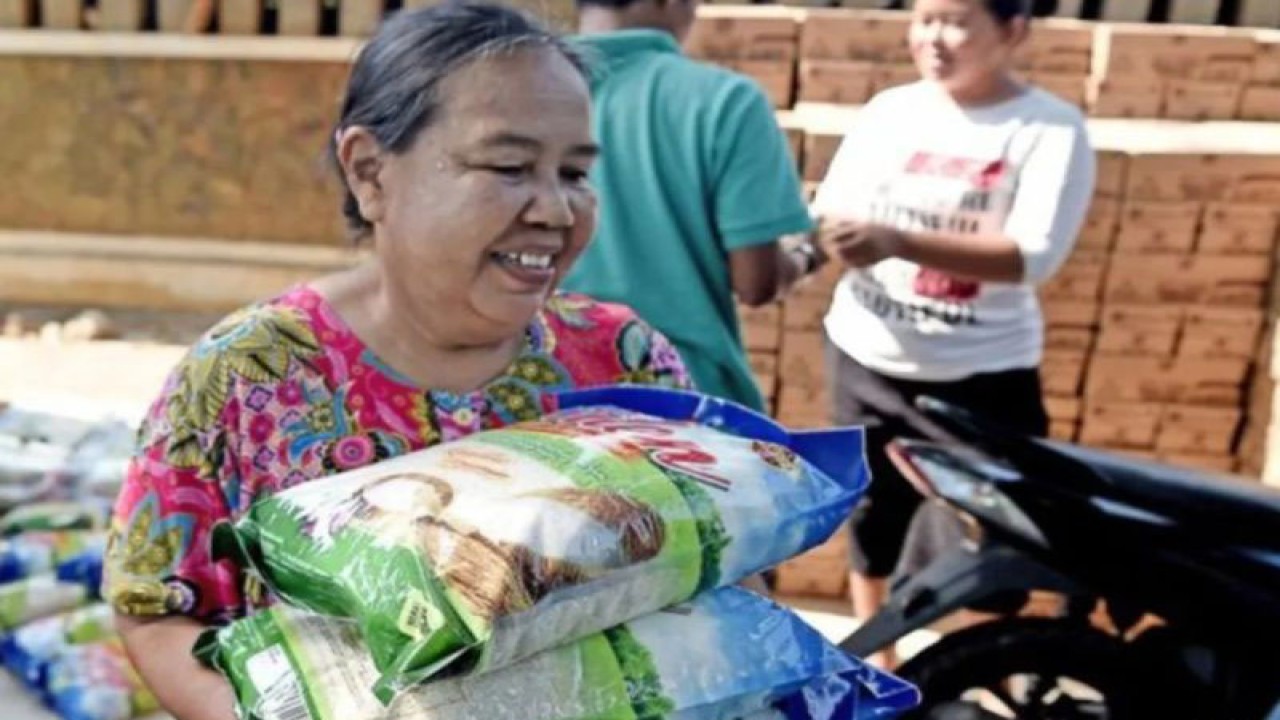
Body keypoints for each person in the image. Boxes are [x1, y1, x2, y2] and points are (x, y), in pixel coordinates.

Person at [102, 5, 691, 719]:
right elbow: (157, 606)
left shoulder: (627, 365)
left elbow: (720, 573)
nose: (557, 210)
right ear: (370, 172)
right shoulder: (247, 375)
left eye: (573, 172)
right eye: (509, 166)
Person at [810, 0, 1095, 666]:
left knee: (1001, 535)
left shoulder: (1047, 128)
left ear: (1014, 30)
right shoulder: (890, 111)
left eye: (957, 21)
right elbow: (832, 208)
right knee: (870, 515)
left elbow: (1034, 256)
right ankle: (880, 667)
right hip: (866, 355)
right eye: (923, 18)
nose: (933, 38)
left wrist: (897, 240)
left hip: (980, 373)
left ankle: (978, 662)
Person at [562, 0, 824, 413]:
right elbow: (756, 283)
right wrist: (806, 254)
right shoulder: (726, 101)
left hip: (544, 386)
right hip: (681, 397)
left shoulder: (523, 95)